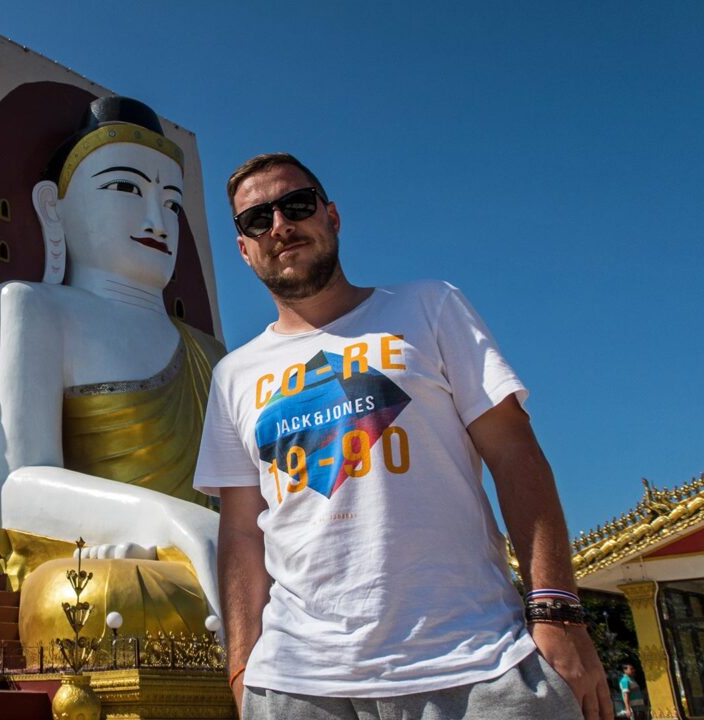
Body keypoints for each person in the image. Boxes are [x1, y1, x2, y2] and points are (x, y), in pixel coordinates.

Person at [194, 152, 611, 719]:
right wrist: (242, 666)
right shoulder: (233, 375)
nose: (280, 226)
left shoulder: (430, 307)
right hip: (296, 683)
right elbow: (241, 530)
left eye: (297, 205)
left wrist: (558, 611)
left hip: (476, 664)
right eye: (256, 220)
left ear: (332, 216)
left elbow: (515, 452)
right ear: (244, 249)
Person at [0, 96, 225, 636]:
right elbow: (12, 489)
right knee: (89, 597)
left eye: (172, 203)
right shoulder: (33, 306)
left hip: (217, 554)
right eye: (125, 188)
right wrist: (167, 520)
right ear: (53, 208)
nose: (156, 219)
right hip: (130, 559)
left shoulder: (212, 355)